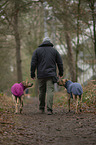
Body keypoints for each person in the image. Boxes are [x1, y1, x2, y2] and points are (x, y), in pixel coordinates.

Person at [30, 37, 63, 115]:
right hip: (51, 75)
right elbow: (60, 63)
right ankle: (49, 109)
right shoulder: (54, 51)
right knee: (50, 91)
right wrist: (61, 73)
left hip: (41, 75)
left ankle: (41, 108)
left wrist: (32, 73)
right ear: (50, 42)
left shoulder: (37, 51)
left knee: (41, 91)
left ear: (43, 42)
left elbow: (33, 63)